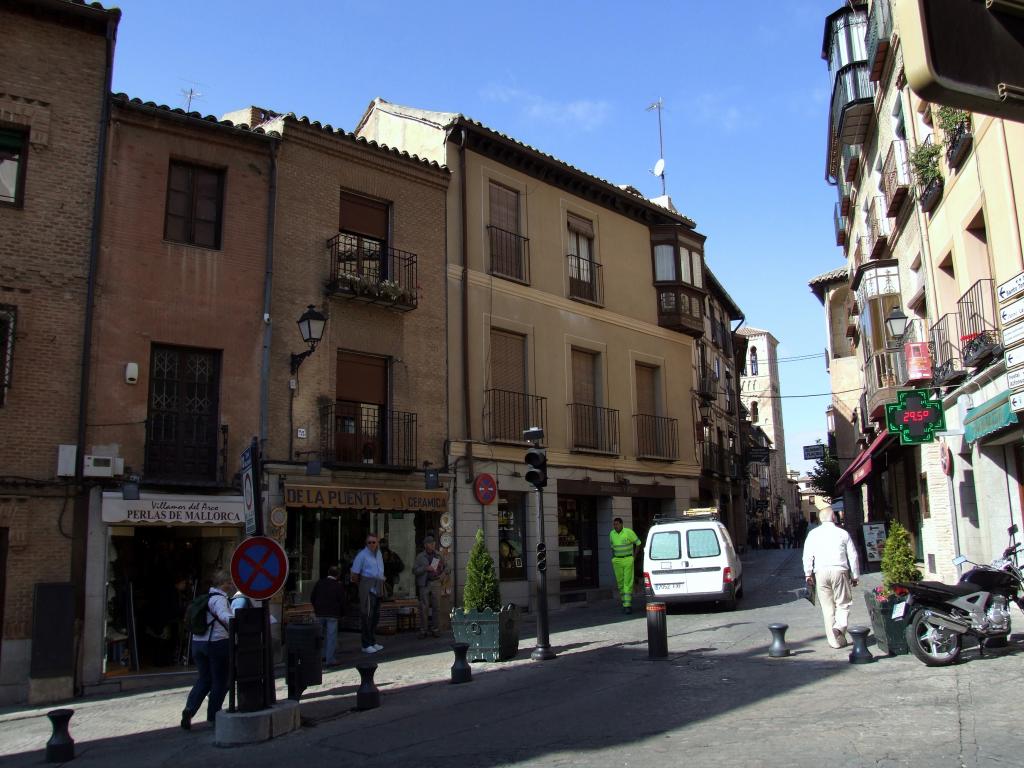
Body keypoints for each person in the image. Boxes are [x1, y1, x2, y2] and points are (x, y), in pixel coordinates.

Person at [181, 570, 234, 730]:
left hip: (198, 644)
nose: (231, 585)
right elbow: (224, 616)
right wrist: (239, 621)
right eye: (229, 582)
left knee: (204, 679)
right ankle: (213, 715)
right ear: (223, 583)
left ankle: (189, 709)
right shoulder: (219, 600)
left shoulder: (203, 599)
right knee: (220, 680)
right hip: (217, 643)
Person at [802, 507, 861, 649]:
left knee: (827, 608)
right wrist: (855, 575)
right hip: (839, 570)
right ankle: (840, 627)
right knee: (843, 603)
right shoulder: (842, 533)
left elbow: (807, 555)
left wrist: (808, 573)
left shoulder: (813, 534)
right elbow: (852, 555)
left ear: (820, 519)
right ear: (834, 518)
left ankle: (835, 642)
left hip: (820, 572)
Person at [351, 533, 386, 654]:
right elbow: (354, 574)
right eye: (369, 542)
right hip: (368, 586)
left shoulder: (379, 554)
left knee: (375, 616)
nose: (371, 544)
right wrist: (362, 585)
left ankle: (372, 641)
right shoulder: (362, 555)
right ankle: (365, 644)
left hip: (378, 586)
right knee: (367, 616)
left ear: (377, 543)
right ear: (366, 543)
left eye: (374, 542)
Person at [412, 535, 449, 637]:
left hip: (436, 583)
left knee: (436, 607)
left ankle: (435, 629)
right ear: (425, 545)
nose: (432, 545)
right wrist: (425, 568)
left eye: (433, 543)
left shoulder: (438, 555)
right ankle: (423, 630)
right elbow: (414, 570)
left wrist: (442, 576)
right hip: (424, 584)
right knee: (424, 608)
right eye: (430, 543)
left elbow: (447, 568)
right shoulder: (420, 557)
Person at [310, 565, 346, 666]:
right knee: (331, 636)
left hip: (320, 612)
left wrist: (316, 608)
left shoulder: (319, 582)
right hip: (332, 614)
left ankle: (320, 655)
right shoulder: (338, 585)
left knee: (319, 636)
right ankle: (330, 659)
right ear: (338, 575)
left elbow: (312, 597)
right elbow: (342, 601)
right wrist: (343, 614)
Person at [609, 517, 642, 614]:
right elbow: (612, 547)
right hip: (617, 561)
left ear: (622, 524)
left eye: (617, 524)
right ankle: (624, 602)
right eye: (614, 524)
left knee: (627, 582)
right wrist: (613, 558)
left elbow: (638, 543)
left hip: (628, 559)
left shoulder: (628, 532)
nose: (615, 526)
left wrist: (634, 557)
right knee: (620, 583)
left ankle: (627, 606)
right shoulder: (612, 534)